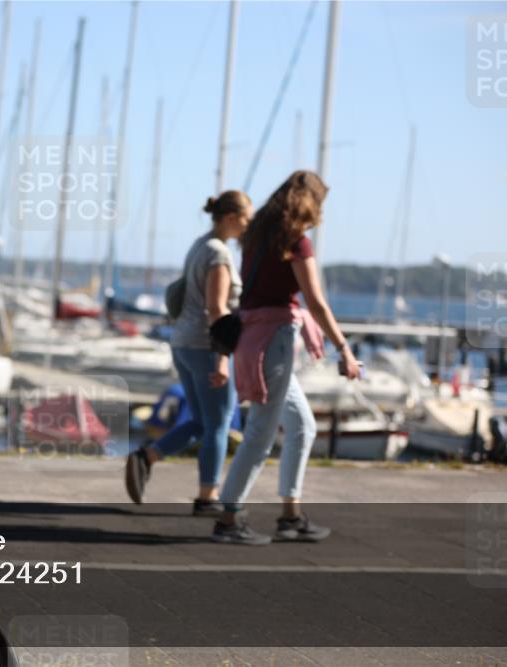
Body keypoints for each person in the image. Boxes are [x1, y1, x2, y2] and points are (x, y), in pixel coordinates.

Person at [211, 170, 360, 546]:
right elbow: (316, 302)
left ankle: (290, 516)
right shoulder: (296, 242)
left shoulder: (257, 236)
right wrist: (343, 348)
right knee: (260, 435)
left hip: (254, 337)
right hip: (273, 341)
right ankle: (229, 518)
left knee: (302, 426)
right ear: (310, 203)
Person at [125, 190, 252, 515]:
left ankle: (148, 456)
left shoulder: (200, 245)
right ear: (230, 218)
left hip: (183, 341)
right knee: (219, 423)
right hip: (206, 346)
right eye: (246, 218)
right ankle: (207, 497)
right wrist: (223, 356)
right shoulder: (219, 255)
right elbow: (216, 309)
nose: (249, 225)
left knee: (200, 420)